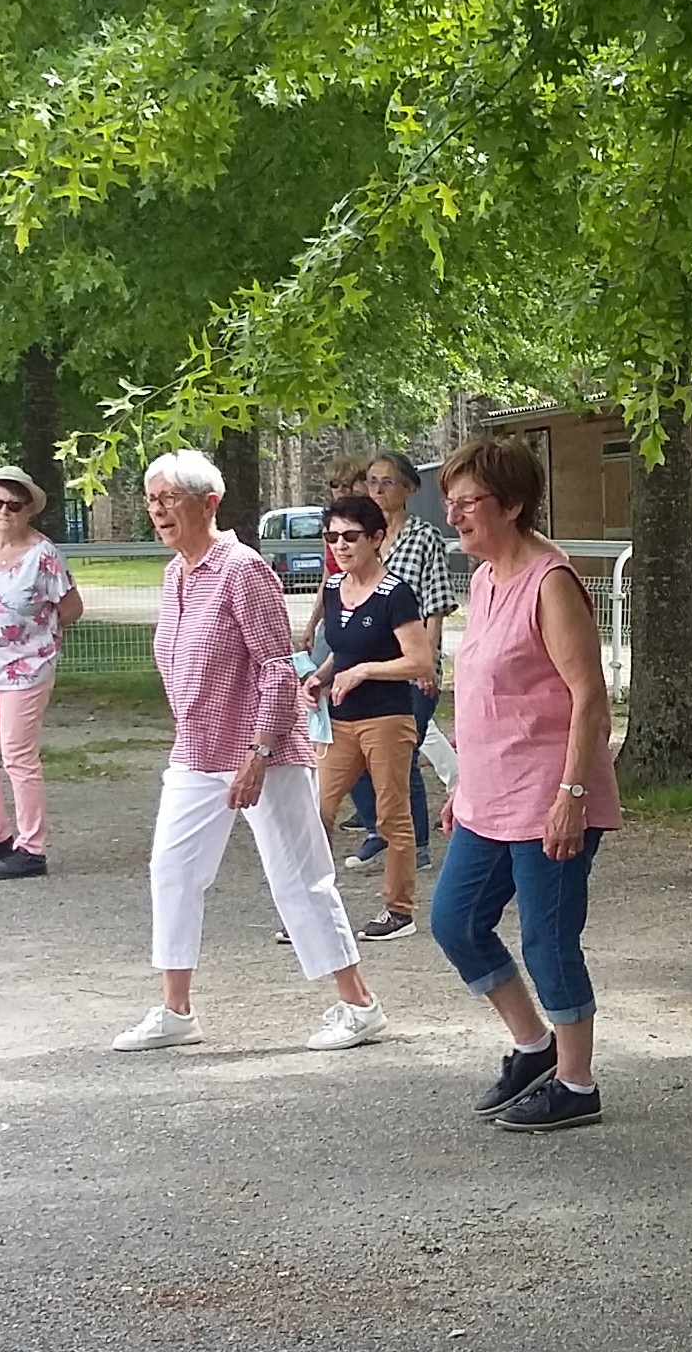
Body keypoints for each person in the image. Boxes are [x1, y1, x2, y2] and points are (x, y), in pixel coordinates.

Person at [112, 450, 388, 1055]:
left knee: (298, 876)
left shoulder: (243, 569)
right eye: (151, 499)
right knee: (173, 871)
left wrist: (260, 750)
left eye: (169, 499)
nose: (157, 510)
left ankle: (358, 1003)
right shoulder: (175, 574)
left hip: (265, 749)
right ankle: (175, 1009)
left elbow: (274, 667)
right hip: (195, 748)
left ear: (208, 503)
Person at [432, 434, 625, 1133]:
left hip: (550, 799)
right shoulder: (484, 581)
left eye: (469, 503)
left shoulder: (550, 582)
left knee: (548, 940)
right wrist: (464, 784)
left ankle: (577, 1084)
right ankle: (532, 1046)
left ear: (511, 504)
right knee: (455, 922)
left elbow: (589, 699)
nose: (455, 516)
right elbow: (490, 698)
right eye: (449, 503)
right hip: (491, 798)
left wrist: (573, 796)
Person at [306, 492, 437, 940]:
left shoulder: (394, 593)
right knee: (316, 810)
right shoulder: (331, 589)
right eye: (332, 537)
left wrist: (365, 671)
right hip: (340, 720)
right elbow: (341, 652)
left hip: (387, 718)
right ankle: (309, 909)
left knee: (390, 814)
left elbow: (420, 662)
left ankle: (398, 910)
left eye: (350, 536)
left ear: (377, 538)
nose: (340, 546)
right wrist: (320, 677)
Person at [0, 466, 82, 879]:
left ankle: (31, 847)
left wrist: (38, 630)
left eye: (14, 505)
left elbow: (71, 608)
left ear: (28, 511)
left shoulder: (43, 556)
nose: (4, 511)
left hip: (26, 667)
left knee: (17, 755)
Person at [346, 450, 458, 875]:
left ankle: (417, 844)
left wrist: (425, 664)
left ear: (408, 488)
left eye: (387, 482)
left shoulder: (424, 538)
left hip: (410, 665)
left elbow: (436, 606)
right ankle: (382, 827)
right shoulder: (362, 537)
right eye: (372, 481)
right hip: (364, 664)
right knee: (351, 749)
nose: (377, 489)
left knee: (402, 752)